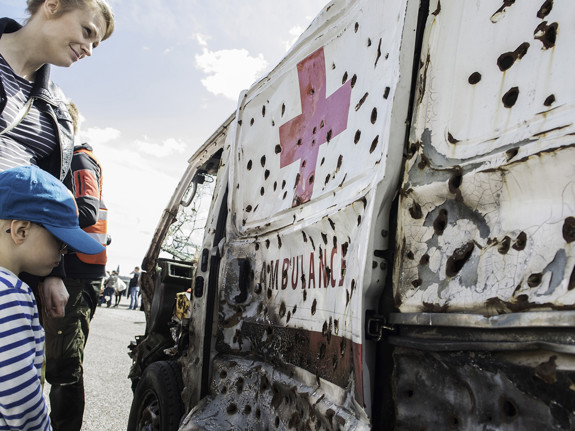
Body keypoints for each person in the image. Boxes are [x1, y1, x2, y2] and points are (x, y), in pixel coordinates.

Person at [0, 0, 115, 319]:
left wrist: (52, 272)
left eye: (96, 43)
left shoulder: (60, 108)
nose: (90, 49)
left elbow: (51, 194)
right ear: (52, 6)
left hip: (12, 260)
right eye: (87, 31)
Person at [0, 165, 104, 431]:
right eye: (60, 241)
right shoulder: (12, 295)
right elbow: (19, 398)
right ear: (20, 230)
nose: (64, 252)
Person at [41, 102, 111, 431]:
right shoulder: (57, 158)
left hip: (77, 275)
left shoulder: (79, 158)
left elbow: (86, 210)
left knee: (64, 364)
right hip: (62, 269)